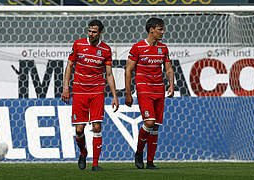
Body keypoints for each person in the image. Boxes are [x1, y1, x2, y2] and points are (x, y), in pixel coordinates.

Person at [61, 19, 119, 171]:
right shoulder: (78, 44)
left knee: (97, 126)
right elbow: (69, 66)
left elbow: (109, 74)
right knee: (79, 129)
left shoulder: (106, 50)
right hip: (79, 90)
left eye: (94, 32)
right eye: (89, 31)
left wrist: (114, 95)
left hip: (97, 91)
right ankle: (83, 152)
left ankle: (95, 163)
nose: (91, 34)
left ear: (100, 33)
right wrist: (65, 87)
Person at [125, 17, 174, 169]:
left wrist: (171, 86)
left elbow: (168, 69)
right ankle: (139, 152)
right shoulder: (138, 47)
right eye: (160, 29)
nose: (163, 32)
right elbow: (128, 70)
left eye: (162, 29)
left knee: (156, 127)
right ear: (151, 30)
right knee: (149, 122)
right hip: (144, 89)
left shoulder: (163, 48)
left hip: (159, 89)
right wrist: (128, 93)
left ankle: (150, 161)